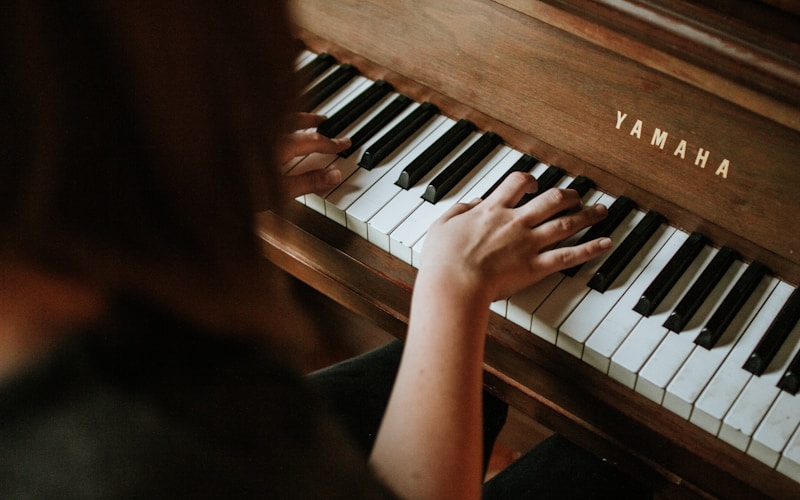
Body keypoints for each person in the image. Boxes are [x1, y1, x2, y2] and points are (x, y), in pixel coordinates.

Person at [0, 1, 650, 498]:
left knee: (496, 374)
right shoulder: (128, 456)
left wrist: (189, 192)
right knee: (619, 459)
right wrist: (454, 287)